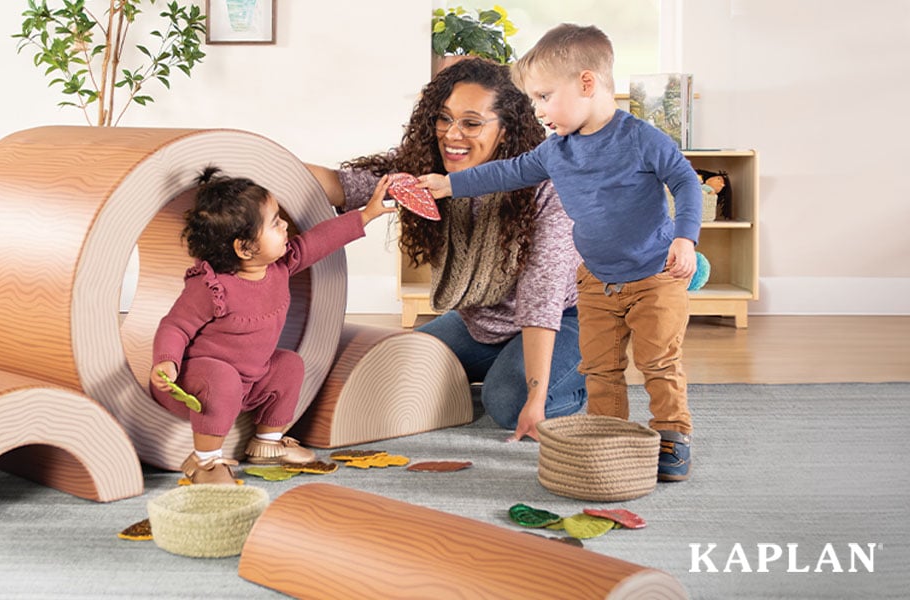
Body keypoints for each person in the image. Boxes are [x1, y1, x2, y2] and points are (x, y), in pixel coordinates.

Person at [419, 24, 700, 482]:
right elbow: (505, 173)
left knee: (658, 361)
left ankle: (672, 434)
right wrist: (449, 184)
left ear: (586, 84)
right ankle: (611, 436)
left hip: (653, 274)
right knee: (601, 367)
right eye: (534, 99)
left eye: (545, 97)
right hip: (595, 281)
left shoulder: (641, 139)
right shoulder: (556, 151)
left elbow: (685, 182)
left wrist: (685, 237)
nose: (538, 110)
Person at [307, 57, 587, 443]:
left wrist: (537, 396)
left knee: (508, 404)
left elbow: (542, 298)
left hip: (563, 318)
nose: (452, 134)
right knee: (394, 365)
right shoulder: (428, 172)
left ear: (505, 131)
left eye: (471, 123)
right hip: (482, 322)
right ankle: (503, 365)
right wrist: (268, 164)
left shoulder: (547, 187)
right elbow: (345, 185)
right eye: (444, 118)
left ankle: (576, 378)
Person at [151, 166, 395, 484]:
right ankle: (205, 462)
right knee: (222, 376)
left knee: (288, 364)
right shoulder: (212, 287)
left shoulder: (278, 268)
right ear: (244, 247)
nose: (285, 227)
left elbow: (316, 242)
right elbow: (175, 326)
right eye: (275, 223)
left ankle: (267, 443)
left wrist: (365, 215)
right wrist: (166, 361)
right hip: (196, 386)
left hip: (248, 384)